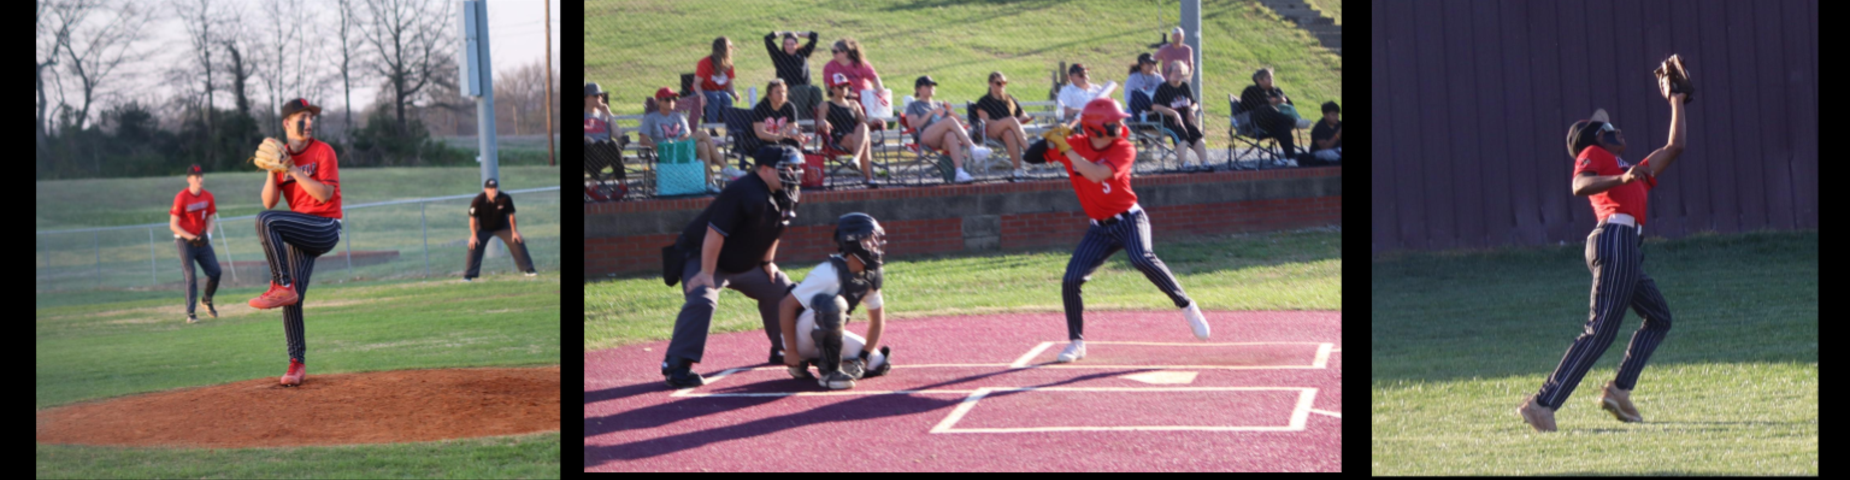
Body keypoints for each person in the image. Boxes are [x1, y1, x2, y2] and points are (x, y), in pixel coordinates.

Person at [1518, 83, 1689, 433]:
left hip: (1627, 247)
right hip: (1613, 239)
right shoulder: (1593, 153)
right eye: (1608, 127)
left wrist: (1677, 101)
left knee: (1659, 318)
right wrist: (1622, 177)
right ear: (1597, 137)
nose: (1617, 129)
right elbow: (1579, 185)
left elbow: (1675, 146)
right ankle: (1541, 404)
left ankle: (1619, 391)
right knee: (1600, 331)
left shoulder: (1632, 169)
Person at [1031, 98, 1210, 364]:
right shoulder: (1075, 143)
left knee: (1141, 258)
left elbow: (1096, 174)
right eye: (1113, 122)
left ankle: (1187, 306)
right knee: (1071, 279)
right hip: (1099, 229)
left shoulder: (1124, 148)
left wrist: (1065, 147)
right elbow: (1030, 157)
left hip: (1130, 219)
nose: (1120, 126)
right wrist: (1051, 138)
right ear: (1096, 127)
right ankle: (1076, 342)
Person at [661, 145, 806, 388]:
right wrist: (706, 273)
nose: (793, 173)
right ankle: (676, 364)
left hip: (743, 262)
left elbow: (775, 230)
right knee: (703, 298)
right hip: (705, 257)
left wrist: (767, 262)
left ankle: (782, 346)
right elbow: (714, 233)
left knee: (782, 289)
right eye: (787, 168)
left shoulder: (789, 194)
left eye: (794, 168)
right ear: (766, 169)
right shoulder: (742, 191)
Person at [248, 98, 344, 388]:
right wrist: (272, 168)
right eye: (303, 117)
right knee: (293, 297)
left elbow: (324, 195)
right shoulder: (282, 157)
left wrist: (292, 170)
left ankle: (280, 284)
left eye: (311, 117)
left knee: (266, 221)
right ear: (287, 123)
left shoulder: (323, 151)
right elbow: (269, 201)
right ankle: (296, 364)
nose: (309, 122)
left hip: (326, 226)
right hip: (301, 230)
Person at [777, 212, 895, 390]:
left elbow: (877, 321)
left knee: (877, 363)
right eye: (868, 239)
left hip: (825, 334)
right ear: (852, 242)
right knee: (831, 305)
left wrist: (862, 359)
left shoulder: (869, 274)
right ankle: (828, 372)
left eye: (875, 239)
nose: (874, 244)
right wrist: (792, 350)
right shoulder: (828, 273)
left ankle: (820, 360)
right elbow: (786, 306)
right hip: (799, 337)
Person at [640, 87, 733, 186]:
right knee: (704, 134)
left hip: (683, 147)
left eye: (674, 99)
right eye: (667, 99)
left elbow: (687, 133)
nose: (671, 102)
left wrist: (680, 139)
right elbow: (643, 141)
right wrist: (659, 146)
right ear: (658, 101)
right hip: (666, 150)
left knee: (703, 145)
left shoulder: (678, 116)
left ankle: (708, 183)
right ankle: (725, 168)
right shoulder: (651, 118)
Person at [904, 75, 981, 184]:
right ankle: (973, 148)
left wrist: (951, 111)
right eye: (927, 86)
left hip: (941, 138)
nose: (931, 88)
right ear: (918, 89)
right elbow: (914, 125)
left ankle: (959, 172)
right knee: (949, 121)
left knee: (951, 135)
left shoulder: (939, 104)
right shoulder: (914, 105)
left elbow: (959, 123)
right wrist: (932, 112)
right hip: (924, 136)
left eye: (932, 86)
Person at [169, 164, 220, 324]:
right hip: (184, 240)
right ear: (189, 179)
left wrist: (208, 235)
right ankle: (191, 314)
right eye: (196, 177)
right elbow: (173, 225)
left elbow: (211, 220)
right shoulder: (182, 197)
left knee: (215, 271)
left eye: (201, 176)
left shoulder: (208, 196)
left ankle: (206, 300)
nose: (200, 179)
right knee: (190, 274)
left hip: (201, 239)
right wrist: (190, 237)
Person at [462, 178, 538, 281]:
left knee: (517, 240)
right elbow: (472, 219)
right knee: (473, 244)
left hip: (503, 227)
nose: (493, 190)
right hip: (483, 228)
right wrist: (474, 236)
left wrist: (514, 231)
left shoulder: (505, 198)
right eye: (490, 188)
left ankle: (529, 270)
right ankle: (468, 276)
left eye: (495, 188)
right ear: (485, 190)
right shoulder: (478, 200)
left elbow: (511, 216)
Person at [817, 72, 879, 188]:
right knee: (864, 142)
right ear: (833, 89)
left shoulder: (854, 104)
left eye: (846, 86)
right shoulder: (825, 104)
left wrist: (876, 123)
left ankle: (856, 159)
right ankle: (869, 179)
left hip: (855, 138)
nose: (844, 89)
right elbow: (820, 120)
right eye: (840, 87)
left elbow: (866, 124)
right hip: (838, 139)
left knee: (863, 128)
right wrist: (823, 122)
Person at [1150, 61, 1211, 172]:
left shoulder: (1185, 86)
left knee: (1195, 133)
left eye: (1181, 71)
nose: (1178, 74)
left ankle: (1205, 162)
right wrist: (1174, 113)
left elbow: (1195, 103)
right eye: (1176, 71)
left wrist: (1192, 110)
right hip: (1168, 120)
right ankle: (1185, 164)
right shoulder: (1163, 87)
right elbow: (1155, 106)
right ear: (1170, 72)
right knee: (1179, 132)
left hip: (1186, 119)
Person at [974, 71, 1034, 181]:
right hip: (991, 130)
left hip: (1009, 130)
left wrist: (1013, 123)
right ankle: (1029, 150)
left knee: (1009, 133)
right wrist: (1007, 122)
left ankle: (1018, 172)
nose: (1002, 85)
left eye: (1004, 83)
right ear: (990, 83)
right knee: (1011, 120)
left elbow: (1024, 115)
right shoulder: (984, 101)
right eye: (999, 83)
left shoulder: (1009, 99)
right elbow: (985, 121)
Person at [822, 38, 888, 129]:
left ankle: (869, 128)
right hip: (843, 99)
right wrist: (845, 94)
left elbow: (874, 77)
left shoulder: (859, 63)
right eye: (832, 51)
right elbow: (828, 87)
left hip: (864, 99)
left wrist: (879, 87)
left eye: (835, 51)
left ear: (845, 53)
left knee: (866, 116)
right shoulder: (830, 66)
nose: (833, 54)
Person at [1238, 67, 1300, 160]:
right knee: (1266, 108)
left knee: (1283, 126)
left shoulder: (1276, 91)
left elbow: (1290, 106)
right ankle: (1293, 121)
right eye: (1268, 78)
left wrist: (1283, 101)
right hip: (1256, 122)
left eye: (1271, 77)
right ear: (1260, 80)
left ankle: (1291, 158)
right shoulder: (1251, 90)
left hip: (1273, 124)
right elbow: (1251, 107)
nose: (1271, 80)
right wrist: (1271, 103)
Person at [765, 30, 822, 115]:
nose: (789, 47)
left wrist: (798, 34)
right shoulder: (779, 57)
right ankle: (797, 117)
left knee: (816, 90)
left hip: (805, 89)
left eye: (792, 44)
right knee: (804, 89)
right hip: (788, 91)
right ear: (783, 45)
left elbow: (815, 36)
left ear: (796, 45)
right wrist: (782, 33)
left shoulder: (802, 54)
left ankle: (816, 117)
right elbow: (767, 39)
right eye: (786, 44)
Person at [695, 37, 740, 125]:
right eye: (730, 46)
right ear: (724, 48)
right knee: (714, 97)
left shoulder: (729, 64)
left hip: (717, 92)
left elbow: (730, 87)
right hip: (700, 91)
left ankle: (729, 125)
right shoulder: (705, 62)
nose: (732, 48)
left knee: (726, 97)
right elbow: (696, 84)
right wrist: (701, 96)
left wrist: (735, 94)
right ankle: (712, 128)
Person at [753, 79, 807, 148]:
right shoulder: (761, 107)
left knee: (796, 144)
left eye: (783, 92)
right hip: (764, 142)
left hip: (782, 140)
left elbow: (792, 128)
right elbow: (760, 133)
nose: (782, 95)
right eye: (778, 92)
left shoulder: (789, 107)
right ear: (770, 95)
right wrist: (777, 136)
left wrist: (797, 134)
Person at [1124, 53, 1165, 117]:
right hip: (1137, 108)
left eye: (1153, 63)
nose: (1151, 65)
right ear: (1141, 65)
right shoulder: (1133, 78)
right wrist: (1137, 107)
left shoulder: (1159, 78)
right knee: (1129, 113)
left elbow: (1165, 94)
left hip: (1156, 107)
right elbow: (1128, 96)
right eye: (1148, 63)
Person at [1305, 101, 1342, 166]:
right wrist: (1338, 134)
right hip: (1320, 152)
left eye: (1337, 115)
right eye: (1333, 115)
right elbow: (1325, 147)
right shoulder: (1319, 128)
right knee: (1328, 154)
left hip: (1337, 150)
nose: (1336, 117)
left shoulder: (1339, 124)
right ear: (1325, 115)